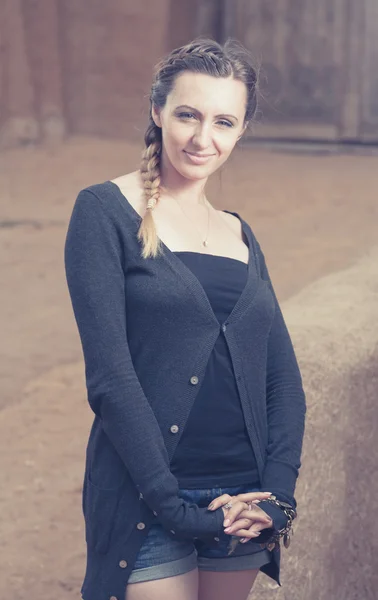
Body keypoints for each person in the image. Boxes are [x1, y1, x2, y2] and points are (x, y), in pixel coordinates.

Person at [64, 38, 306, 600]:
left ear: (241, 130)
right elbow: (110, 378)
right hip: (147, 498)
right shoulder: (105, 212)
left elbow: (282, 382)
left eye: (224, 121)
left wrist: (276, 495)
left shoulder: (240, 234)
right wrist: (170, 503)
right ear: (158, 111)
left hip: (241, 501)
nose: (203, 139)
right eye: (188, 115)